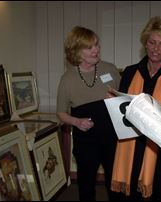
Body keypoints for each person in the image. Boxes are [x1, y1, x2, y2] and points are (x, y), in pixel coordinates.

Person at [111, 16, 161, 201]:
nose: (156, 49)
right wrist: (114, 103)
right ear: (145, 43)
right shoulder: (130, 71)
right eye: (152, 42)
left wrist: (137, 109)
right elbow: (123, 108)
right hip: (131, 145)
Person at [56, 26, 121, 201]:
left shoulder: (110, 69)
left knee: (116, 186)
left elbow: (125, 102)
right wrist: (77, 122)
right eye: (89, 47)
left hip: (112, 138)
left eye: (97, 45)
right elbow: (61, 113)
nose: (96, 49)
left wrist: (114, 99)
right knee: (86, 187)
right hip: (85, 141)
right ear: (76, 50)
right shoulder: (67, 79)